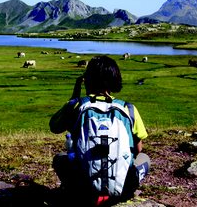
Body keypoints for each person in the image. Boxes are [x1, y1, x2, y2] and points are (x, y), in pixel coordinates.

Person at [49, 55, 150, 206]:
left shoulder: (76, 106)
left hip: (82, 190)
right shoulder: (129, 109)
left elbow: (54, 127)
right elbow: (138, 149)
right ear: (115, 79)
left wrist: (73, 99)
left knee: (59, 158)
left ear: (87, 79)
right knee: (145, 158)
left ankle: (75, 191)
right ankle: (116, 189)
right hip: (123, 190)